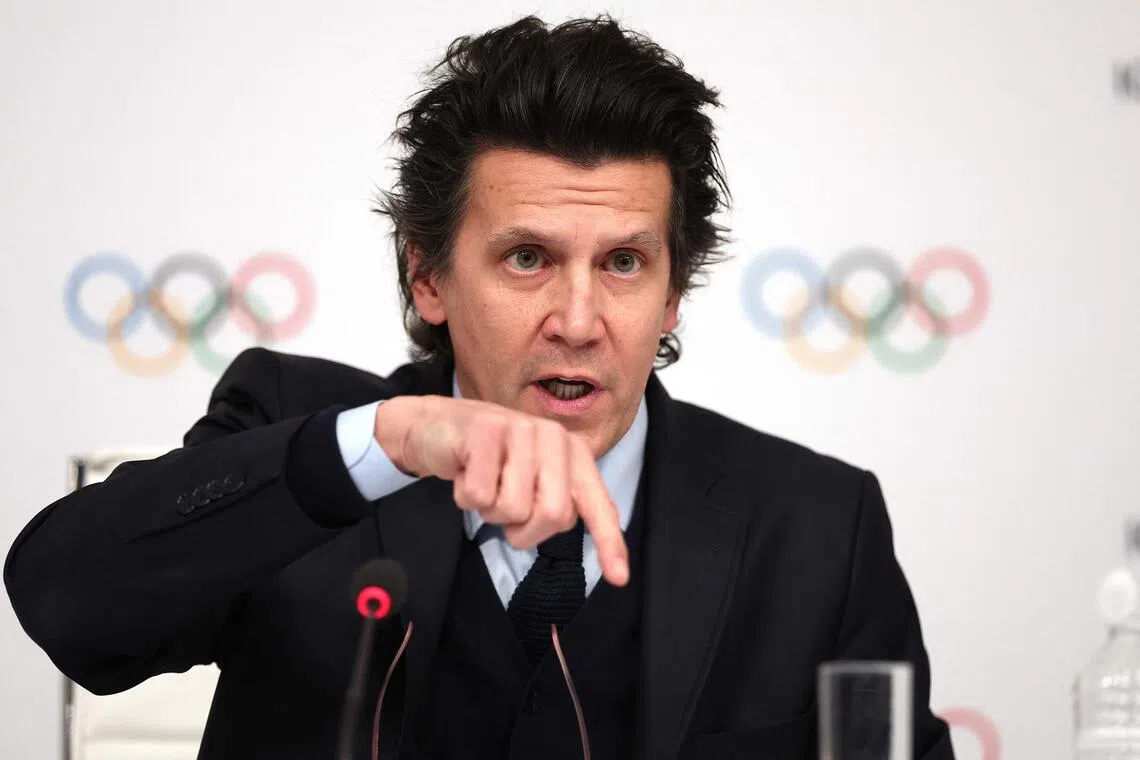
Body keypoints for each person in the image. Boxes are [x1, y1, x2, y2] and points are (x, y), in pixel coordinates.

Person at [4, 15, 955, 760]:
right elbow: (65, 600)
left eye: (624, 262)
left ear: (674, 293)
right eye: (528, 257)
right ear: (428, 277)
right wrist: (379, 451)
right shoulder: (306, 434)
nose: (579, 320)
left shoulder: (817, 526)